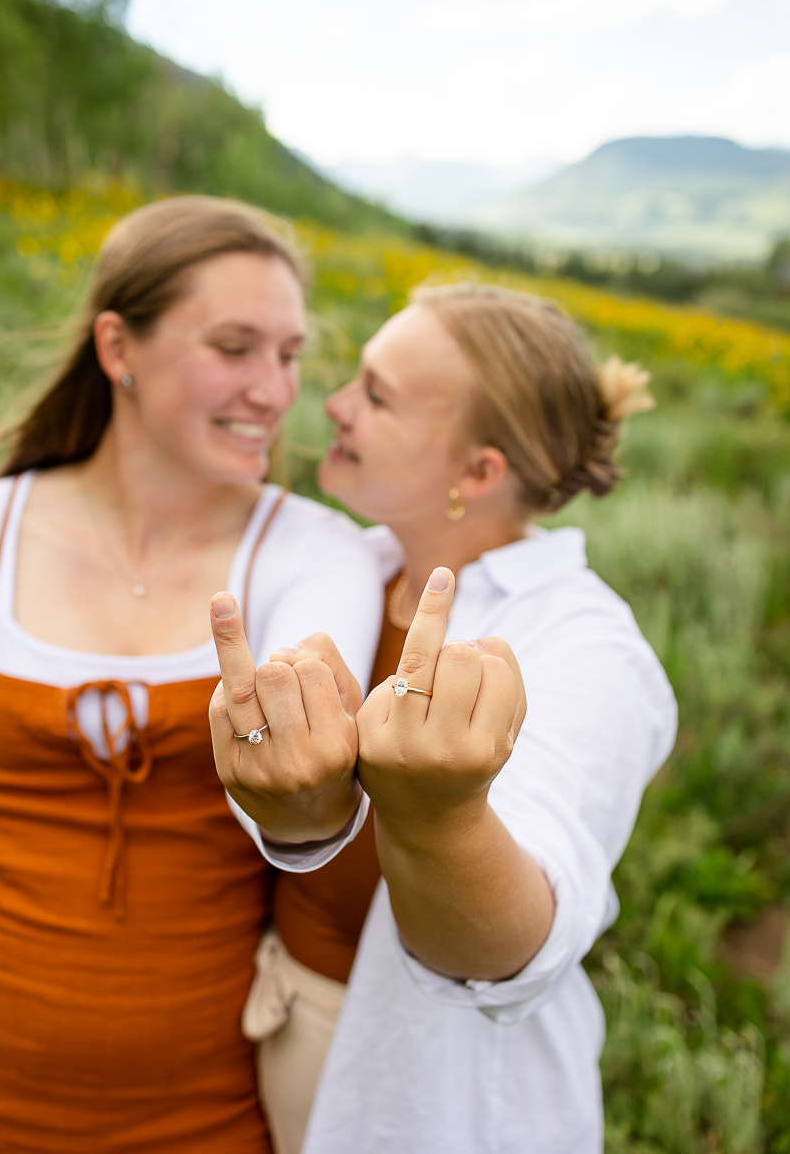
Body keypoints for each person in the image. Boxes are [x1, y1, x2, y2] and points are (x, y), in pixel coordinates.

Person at [0, 196, 383, 1153]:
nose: (274, 389)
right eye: (235, 347)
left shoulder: (313, 557)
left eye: (290, 354)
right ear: (117, 347)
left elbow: (305, 806)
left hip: (206, 1113)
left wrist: (303, 794)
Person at [209, 283, 677, 1154]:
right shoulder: (350, 563)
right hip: (271, 1034)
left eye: (376, 395)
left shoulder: (588, 650)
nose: (334, 405)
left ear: (477, 473)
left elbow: (514, 945)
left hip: (440, 1106)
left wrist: (442, 811)